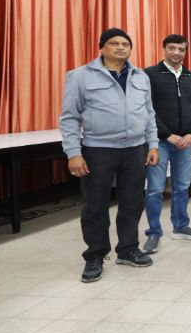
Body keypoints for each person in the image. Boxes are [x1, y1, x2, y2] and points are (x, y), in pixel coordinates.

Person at [60, 28, 158, 283]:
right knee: (95, 205)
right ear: (102, 48)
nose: (120, 47)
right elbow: (69, 117)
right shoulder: (81, 76)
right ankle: (95, 255)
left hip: (135, 149)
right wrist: (73, 153)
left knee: (133, 202)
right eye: (114, 43)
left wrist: (153, 144)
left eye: (125, 43)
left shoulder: (140, 77)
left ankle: (127, 249)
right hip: (97, 149)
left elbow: (149, 113)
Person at [143, 34, 191, 254]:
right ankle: (153, 233)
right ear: (164, 49)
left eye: (181, 49)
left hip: (185, 142)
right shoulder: (150, 74)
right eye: (172, 48)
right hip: (159, 141)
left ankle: (180, 226)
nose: (177, 53)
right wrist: (167, 134)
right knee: (155, 189)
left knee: (181, 187)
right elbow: (147, 109)